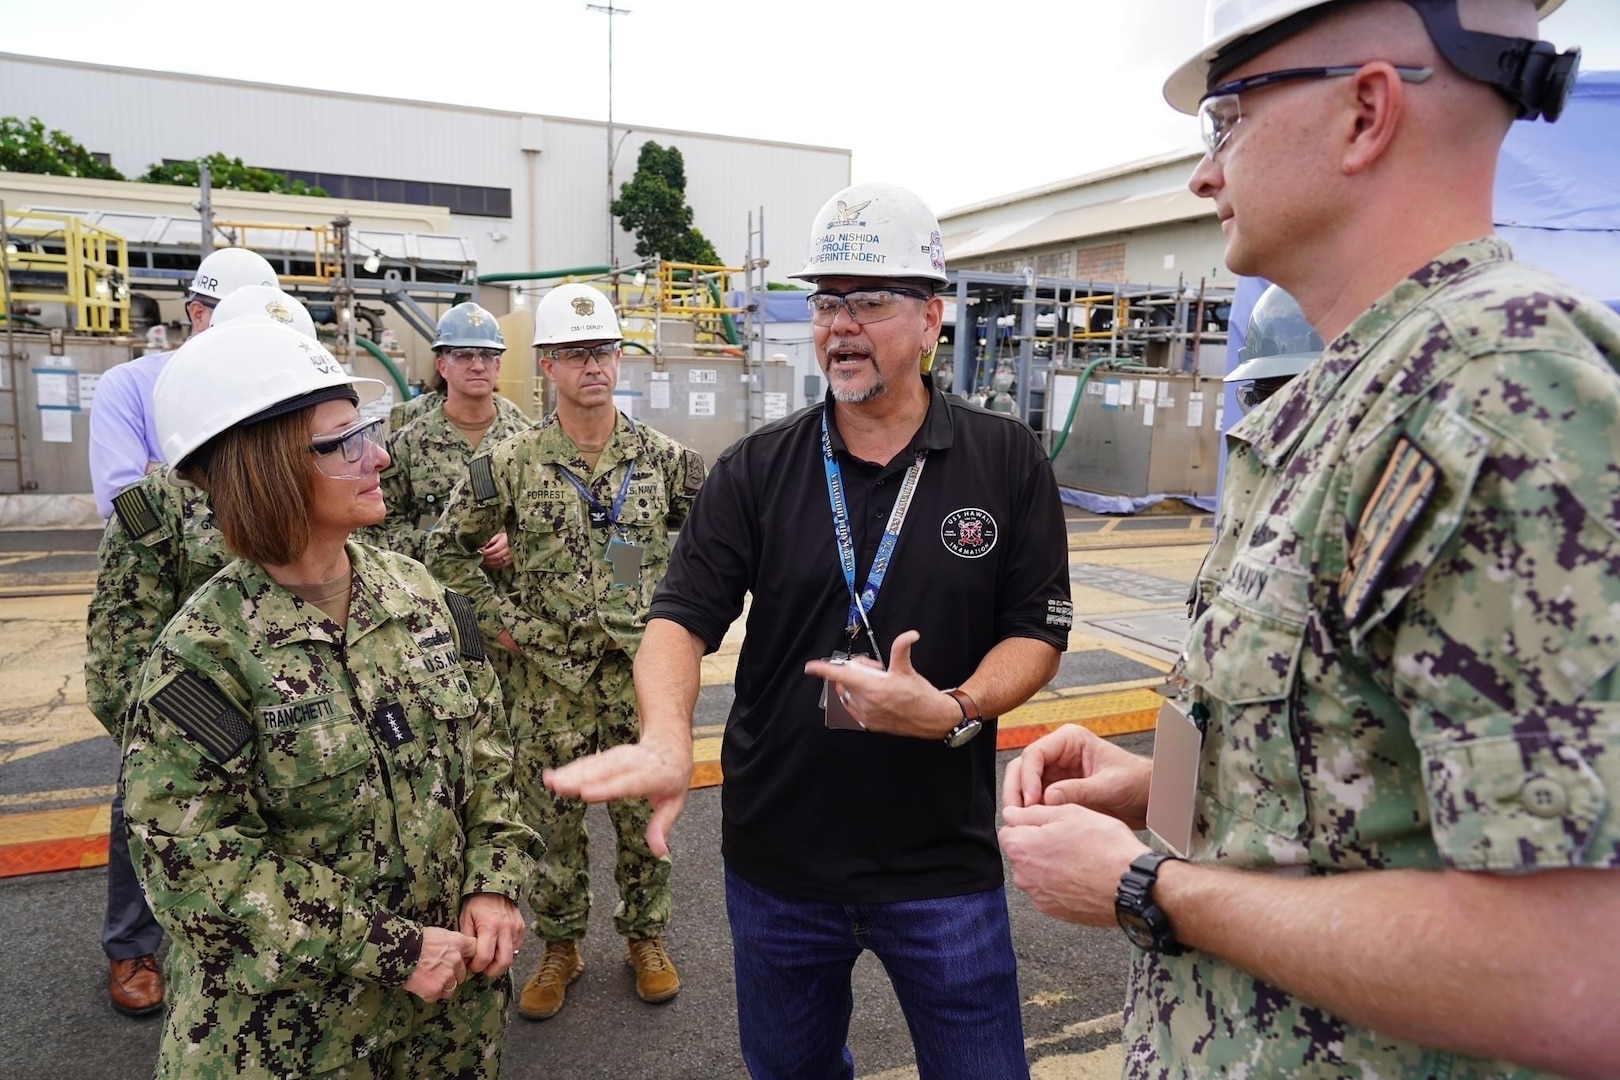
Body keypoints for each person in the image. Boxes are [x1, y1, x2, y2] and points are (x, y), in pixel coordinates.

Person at [998, 3, 1620, 1079]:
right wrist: (1158, 788)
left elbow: (1578, 972)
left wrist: (1148, 886)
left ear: (1366, 110)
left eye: (1226, 116)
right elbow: (1382, 780)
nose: (1205, 175)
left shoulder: (1496, 393)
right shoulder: (1373, 394)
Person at [546, 181, 1074, 1080]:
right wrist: (668, 735)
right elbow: (678, 616)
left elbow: (1037, 630)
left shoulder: (1005, 458)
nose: (841, 325)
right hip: (779, 863)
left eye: (869, 300)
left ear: (930, 318)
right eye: (827, 302)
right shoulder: (758, 467)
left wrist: (953, 706)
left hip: (940, 867)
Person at [121, 319, 540, 1077]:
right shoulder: (202, 657)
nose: (378, 455)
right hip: (296, 1042)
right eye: (344, 442)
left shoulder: (422, 597)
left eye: (368, 433)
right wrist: (388, 946)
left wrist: (495, 883)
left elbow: (489, 755)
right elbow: (194, 866)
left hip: (452, 1023)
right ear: (267, 468)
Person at [426, 282, 703, 1021]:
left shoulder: (664, 459)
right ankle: (561, 947)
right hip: (542, 680)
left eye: (605, 351)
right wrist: (498, 623)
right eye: (577, 353)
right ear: (547, 365)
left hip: (636, 678)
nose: (594, 366)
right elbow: (444, 556)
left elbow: (716, 547)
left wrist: (678, 619)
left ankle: (645, 937)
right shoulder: (507, 465)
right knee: (549, 827)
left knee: (645, 823)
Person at [81, 265, 285, 1020]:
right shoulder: (134, 389)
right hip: (181, 674)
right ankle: (133, 945)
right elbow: (123, 496)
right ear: (196, 312)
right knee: (148, 799)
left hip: (280, 684)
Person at [88, 246, 277, 519]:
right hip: (163, 559)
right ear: (198, 314)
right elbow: (119, 499)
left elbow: (291, 485)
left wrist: (162, 472)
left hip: (258, 558)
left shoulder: (274, 386)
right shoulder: (127, 385)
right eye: (240, 320)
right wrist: (239, 480)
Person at [362, 302, 531, 565]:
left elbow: (549, 514)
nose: (477, 365)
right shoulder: (409, 442)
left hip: (509, 600)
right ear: (442, 366)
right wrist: (450, 543)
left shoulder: (524, 438)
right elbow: (380, 526)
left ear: (497, 366)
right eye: (463, 355)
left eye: (487, 355)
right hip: (437, 596)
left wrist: (516, 539)